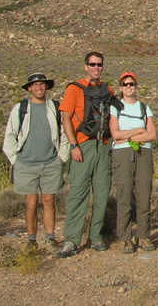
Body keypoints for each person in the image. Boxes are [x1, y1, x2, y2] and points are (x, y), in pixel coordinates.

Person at [57, 51, 119, 258]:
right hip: (83, 145)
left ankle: (96, 236)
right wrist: (73, 145)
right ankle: (72, 240)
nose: (96, 68)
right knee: (78, 194)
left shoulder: (107, 89)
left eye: (99, 64)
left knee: (102, 193)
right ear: (85, 66)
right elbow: (66, 118)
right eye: (92, 64)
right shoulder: (74, 88)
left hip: (103, 145)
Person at [2, 73, 70, 251]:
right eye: (35, 85)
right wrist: (16, 160)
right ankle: (31, 240)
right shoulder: (21, 109)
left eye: (42, 84)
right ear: (29, 88)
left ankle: (50, 238)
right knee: (31, 202)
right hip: (26, 164)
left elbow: (64, 134)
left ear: (46, 87)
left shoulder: (55, 108)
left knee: (49, 201)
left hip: (50, 163)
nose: (39, 88)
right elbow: (10, 136)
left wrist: (61, 157)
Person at [109, 71, 157, 254]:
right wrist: (138, 130)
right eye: (125, 84)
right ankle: (125, 237)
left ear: (136, 86)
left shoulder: (144, 108)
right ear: (120, 87)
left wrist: (127, 137)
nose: (128, 87)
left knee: (144, 193)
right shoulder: (116, 107)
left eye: (131, 84)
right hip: (122, 155)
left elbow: (152, 135)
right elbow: (115, 134)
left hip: (144, 153)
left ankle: (144, 235)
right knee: (124, 195)